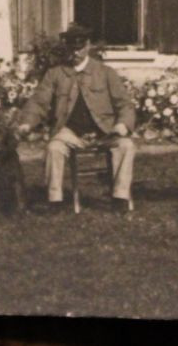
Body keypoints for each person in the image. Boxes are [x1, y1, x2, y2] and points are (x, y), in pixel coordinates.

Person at [15, 24, 137, 211]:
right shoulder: (55, 74)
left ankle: (119, 198)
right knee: (54, 148)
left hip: (105, 131)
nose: (76, 52)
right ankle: (55, 200)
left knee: (126, 145)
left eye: (80, 48)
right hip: (71, 132)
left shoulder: (105, 73)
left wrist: (122, 124)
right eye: (72, 48)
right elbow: (39, 102)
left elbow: (125, 104)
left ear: (88, 46)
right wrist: (26, 123)